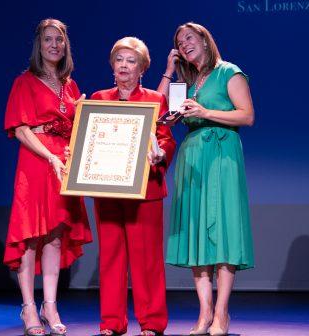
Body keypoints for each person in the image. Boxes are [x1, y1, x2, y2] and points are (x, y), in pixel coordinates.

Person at [158, 22, 255, 336]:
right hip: (194, 156)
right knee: (198, 234)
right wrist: (170, 75)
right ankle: (205, 314)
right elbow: (159, 107)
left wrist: (205, 111)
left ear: (204, 39)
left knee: (223, 231)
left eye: (189, 37)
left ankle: (222, 314)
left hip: (222, 156)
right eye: (179, 41)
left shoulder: (230, 72)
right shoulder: (188, 81)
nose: (184, 43)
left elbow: (247, 115)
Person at [3, 18, 92, 336]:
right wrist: (50, 155)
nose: (54, 45)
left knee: (55, 235)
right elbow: (21, 129)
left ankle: (50, 306)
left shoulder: (70, 84)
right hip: (36, 162)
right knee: (30, 236)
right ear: (38, 45)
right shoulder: (24, 81)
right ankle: (29, 307)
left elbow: (77, 128)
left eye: (60, 40)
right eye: (48, 40)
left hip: (63, 164)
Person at [90, 36, 176, 336]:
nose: (124, 66)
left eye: (132, 61)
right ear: (112, 65)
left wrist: (161, 153)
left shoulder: (155, 99)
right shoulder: (98, 99)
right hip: (108, 189)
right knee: (111, 258)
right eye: (120, 60)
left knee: (147, 260)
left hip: (145, 190)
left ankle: (151, 323)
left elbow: (165, 137)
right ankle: (112, 323)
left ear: (142, 69)